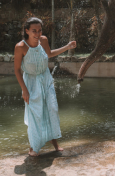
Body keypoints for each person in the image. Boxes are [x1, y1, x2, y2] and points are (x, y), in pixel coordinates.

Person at [14, 17, 76, 157]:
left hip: (46, 79)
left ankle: (54, 143)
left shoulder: (44, 40)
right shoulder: (20, 47)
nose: (37, 33)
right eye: (34, 31)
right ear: (27, 31)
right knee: (36, 114)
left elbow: (49, 54)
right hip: (31, 83)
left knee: (51, 109)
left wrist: (67, 47)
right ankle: (34, 147)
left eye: (39, 30)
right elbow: (17, 70)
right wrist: (24, 89)